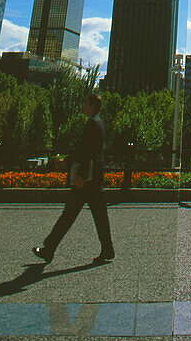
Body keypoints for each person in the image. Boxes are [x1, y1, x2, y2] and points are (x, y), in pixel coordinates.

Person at [33, 92, 114, 265]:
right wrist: (69, 162)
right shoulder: (99, 122)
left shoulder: (92, 123)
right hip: (95, 177)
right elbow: (90, 151)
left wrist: (80, 175)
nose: (83, 107)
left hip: (86, 179)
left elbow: (86, 151)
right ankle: (107, 249)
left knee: (69, 214)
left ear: (91, 105)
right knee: (99, 215)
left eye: (86, 104)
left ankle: (49, 249)